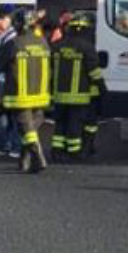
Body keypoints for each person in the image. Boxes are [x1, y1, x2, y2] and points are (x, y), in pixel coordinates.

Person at [0, 10, 52, 174]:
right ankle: (24, 160)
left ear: (17, 25)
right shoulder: (43, 42)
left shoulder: (13, 43)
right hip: (41, 95)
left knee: (25, 127)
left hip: (20, 95)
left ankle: (38, 158)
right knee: (30, 127)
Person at [50, 17, 103, 162]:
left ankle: (57, 151)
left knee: (60, 123)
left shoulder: (57, 46)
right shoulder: (87, 47)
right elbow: (94, 72)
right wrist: (103, 88)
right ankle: (74, 152)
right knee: (75, 123)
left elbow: (50, 69)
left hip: (59, 94)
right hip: (79, 96)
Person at [0, 13, 22, 159]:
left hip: (5, 79)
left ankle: (4, 144)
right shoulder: (9, 37)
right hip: (9, 79)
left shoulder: (6, 37)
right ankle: (11, 145)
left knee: (5, 113)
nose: (0, 22)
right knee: (12, 114)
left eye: (4, 19)